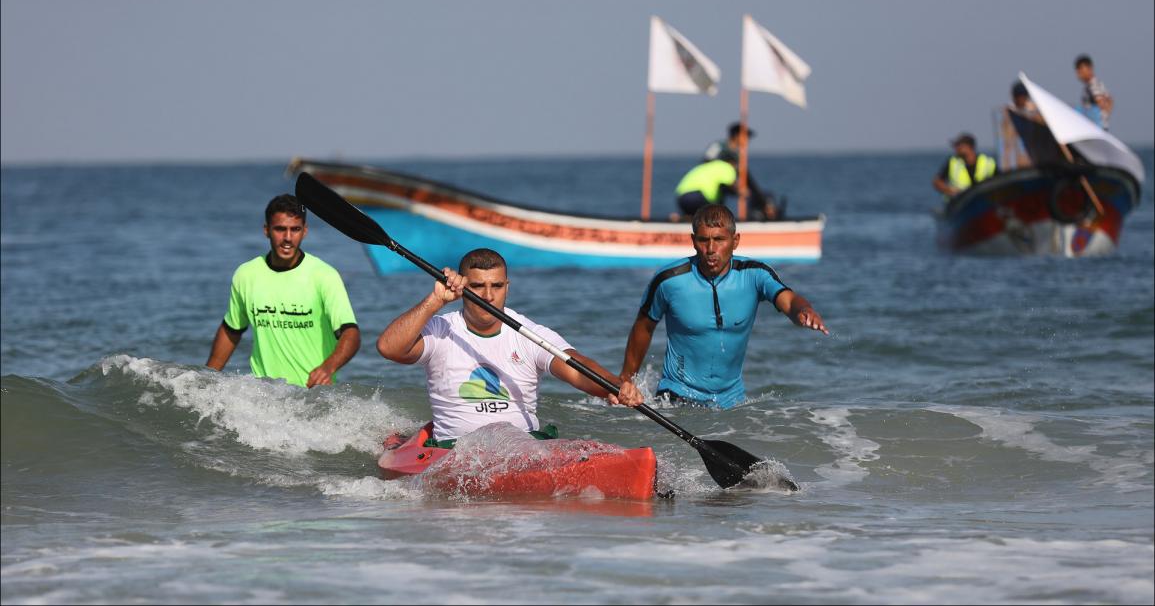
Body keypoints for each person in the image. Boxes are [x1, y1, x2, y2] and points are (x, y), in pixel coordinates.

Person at [376, 248, 643, 445]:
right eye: (478, 286)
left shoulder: (529, 333)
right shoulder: (441, 329)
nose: (488, 296)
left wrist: (614, 385)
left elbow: (576, 367)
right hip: (454, 450)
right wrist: (435, 301)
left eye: (497, 286)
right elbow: (389, 348)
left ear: (508, 287)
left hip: (523, 447)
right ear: (462, 287)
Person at [620, 204, 827, 409]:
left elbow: (789, 300)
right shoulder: (669, 280)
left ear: (735, 241)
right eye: (703, 240)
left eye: (719, 239)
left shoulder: (755, 275)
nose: (711, 249)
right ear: (693, 241)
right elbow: (644, 326)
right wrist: (626, 380)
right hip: (676, 397)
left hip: (731, 402)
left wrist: (803, 311)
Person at [206, 194, 361, 388]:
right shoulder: (246, 275)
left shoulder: (324, 276)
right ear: (267, 230)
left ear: (304, 231)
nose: (288, 238)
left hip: (312, 395)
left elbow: (351, 334)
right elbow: (232, 330)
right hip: (263, 396)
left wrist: (329, 367)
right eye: (280, 229)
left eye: (295, 229)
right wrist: (206, 381)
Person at [676, 122, 779, 221]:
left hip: (683, 192)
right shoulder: (720, 150)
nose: (747, 141)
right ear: (736, 135)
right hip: (701, 193)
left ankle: (683, 218)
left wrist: (761, 200)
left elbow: (746, 177)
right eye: (745, 137)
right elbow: (708, 163)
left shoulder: (735, 155)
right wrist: (739, 190)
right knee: (715, 212)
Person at [933, 132, 998, 198]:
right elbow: (937, 181)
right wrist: (951, 190)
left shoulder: (988, 163)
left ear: (969, 147)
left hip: (985, 201)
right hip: (959, 202)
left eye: (959, 145)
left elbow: (999, 182)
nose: (956, 148)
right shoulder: (953, 162)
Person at [1000, 82, 1042, 169]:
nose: (1022, 100)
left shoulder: (1033, 111)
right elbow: (1006, 139)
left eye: (1024, 97)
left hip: (1031, 159)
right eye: (1019, 97)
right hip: (1016, 161)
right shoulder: (1010, 113)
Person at [1074, 54, 1113, 130]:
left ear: (1089, 68)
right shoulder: (1094, 84)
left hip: (1095, 128)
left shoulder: (1093, 85)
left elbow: (1101, 104)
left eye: (1080, 70)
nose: (1078, 74)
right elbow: (1110, 101)